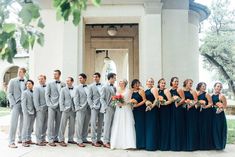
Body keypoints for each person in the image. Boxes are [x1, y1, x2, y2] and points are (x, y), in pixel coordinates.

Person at [110, 79, 136, 149]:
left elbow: (130, 100)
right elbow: (115, 99)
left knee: (127, 124)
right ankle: (117, 143)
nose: (121, 84)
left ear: (125, 84)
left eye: (122, 83)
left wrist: (124, 103)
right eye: (120, 83)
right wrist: (117, 102)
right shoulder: (117, 90)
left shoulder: (128, 91)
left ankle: (128, 144)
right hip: (119, 109)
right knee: (118, 124)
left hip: (126, 109)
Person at [45, 70, 66, 146]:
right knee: (50, 123)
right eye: (53, 74)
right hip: (52, 105)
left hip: (60, 106)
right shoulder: (49, 84)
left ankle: (56, 138)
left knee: (59, 122)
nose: (54, 75)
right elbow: (47, 95)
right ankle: (50, 140)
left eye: (56, 74)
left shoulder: (63, 84)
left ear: (59, 75)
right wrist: (49, 104)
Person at [8, 67, 27, 148]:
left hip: (24, 105)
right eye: (19, 71)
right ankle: (11, 142)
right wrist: (13, 103)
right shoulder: (12, 81)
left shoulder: (26, 81)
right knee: (13, 123)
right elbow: (9, 93)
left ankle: (21, 139)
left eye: (21, 72)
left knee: (23, 123)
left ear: (24, 73)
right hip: (16, 104)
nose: (19, 73)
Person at [100, 73, 117, 148]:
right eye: (114, 78)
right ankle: (105, 141)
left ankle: (109, 140)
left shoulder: (114, 87)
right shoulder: (104, 87)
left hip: (114, 107)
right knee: (107, 125)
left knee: (111, 125)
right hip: (108, 108)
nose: (115, 79)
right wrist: (105, 107)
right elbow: (101, 98)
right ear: (110, 78)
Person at [169, 77, 186, 151]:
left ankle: (179, 145)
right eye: (175, 81)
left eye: (177, 81)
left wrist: (178, 104)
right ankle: (173, 145)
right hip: (171, 108)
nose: (176, 83)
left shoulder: (179, 89)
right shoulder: (169, 90)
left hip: (178, 109)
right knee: (172, 126)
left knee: (178, 125)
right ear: (171, 82)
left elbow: (183, 99)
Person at [74, 73, 91, 147]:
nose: (79, 79)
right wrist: (77, 108)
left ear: (85, 79)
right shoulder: (77, 88)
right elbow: (76, 99)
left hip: (88, 109)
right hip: (80, 108)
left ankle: (84, 138)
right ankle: (79, 140)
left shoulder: (89, 87)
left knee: (86, 124)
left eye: (81, 78)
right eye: (79, 78)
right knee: (79, 125)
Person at [58, 77, 76, 147]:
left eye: (68, 81)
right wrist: (63, 109)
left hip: (73, 110)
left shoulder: (75, 89)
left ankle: (70, 139)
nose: (67, 82)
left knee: (72, 125)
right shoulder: (63, 89)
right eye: (66, 81)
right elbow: (61, 100)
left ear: (72, 81)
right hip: (65, 110)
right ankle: (61, 139)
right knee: (63, 125)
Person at [87, 72, 104, 147]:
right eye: (94, 77)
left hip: (102, 106)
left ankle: (99, 139)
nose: (95, 78)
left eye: (96, 77)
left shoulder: (103, 85)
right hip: (94, 106)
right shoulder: (91, 86)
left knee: (100, 123)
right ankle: (93, 140)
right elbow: (89, 97)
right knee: (93, 123)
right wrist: (92, 106)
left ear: (99, 77)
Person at [197, 82, 214, 150]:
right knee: (200, 127)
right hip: (199, 112)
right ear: (199, 87)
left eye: (205, 86)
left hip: (206, 112)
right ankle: (200, 144)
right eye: (203, 86)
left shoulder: (206, 94)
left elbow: (211, 103)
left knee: (205, 127)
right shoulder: (197, 94)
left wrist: (205, 107)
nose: (204, 87)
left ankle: (206, 145)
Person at [183, 79, 199, 151]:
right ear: (186, 83)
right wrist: (185, 102)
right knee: (184, 126)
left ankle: (191, 145)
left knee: (190, 127)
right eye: (190, 83)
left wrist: (190, 104)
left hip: (191, 111)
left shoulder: (193, 91)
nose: (191, 84)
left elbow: (196, 101)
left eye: (191, 83)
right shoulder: (182, 90)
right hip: (183, 110)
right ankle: (184, 145)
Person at [131, 79, 146, 149]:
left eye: (138, 83)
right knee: (134, 126)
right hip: (133, 111)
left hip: (140, 110)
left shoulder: (141, 91)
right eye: (135, 83)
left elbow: (144, 100)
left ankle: (141, 144)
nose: (137, 85)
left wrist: (137, 105)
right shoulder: (131, 91)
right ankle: (135, 143)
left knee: (140, 126)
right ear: (133, 84)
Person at [145, 78, 160, 151]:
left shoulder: (154, 89)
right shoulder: (146, 90)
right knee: (149, 126)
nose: (150, 83)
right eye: (149, 81)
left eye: (151, 82)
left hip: (153, 110)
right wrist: (147, 104)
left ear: (153, 83)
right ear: (146, 83)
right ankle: (149, 144)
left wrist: (151, 107)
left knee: (152, 126)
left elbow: (157, 99)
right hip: (148, 110)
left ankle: (152, 146)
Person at [157, 78, 172, 151]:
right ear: (159, 84)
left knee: (165, 127)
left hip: (165, 110)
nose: (163, 84)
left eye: (164, 83)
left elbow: (170, 100)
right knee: (160, 126)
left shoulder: (166, 90)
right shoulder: (158, 90)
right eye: (162, 83)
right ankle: (160, 144)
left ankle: (165, 146)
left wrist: (163, 103)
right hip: (159, 110)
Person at [212, 82, 227, 150]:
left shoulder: (222, 96)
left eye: (220, 87)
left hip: (219, 115)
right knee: (213, 129)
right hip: (212, 115)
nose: (219, 88)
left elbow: (225, 106)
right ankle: (214, 144)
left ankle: (219, 145)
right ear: (214, 87)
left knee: (219, 129)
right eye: (218, 86)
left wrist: (220, 109)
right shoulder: (211, 95)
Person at [33, 75, 48, 146]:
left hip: (48, 109)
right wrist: (38, 109)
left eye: (42, 79)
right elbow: (35, 99)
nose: (40, 80)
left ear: (45, 79)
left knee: (45, 125)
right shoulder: (36, 88)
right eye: (39, 79)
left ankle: (43, 139)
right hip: (40, 109)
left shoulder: (48, 87)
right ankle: (38, 140)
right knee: (39, 125)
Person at [21, 80, 35, 147]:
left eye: (29, 84)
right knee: (25, 127)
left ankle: (28, 139)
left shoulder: (34, 92)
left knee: (30, 127)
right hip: (27, 112)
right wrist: (25, 112)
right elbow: (23, 104)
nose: (28, 85)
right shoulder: (24, 93)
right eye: (27, 84)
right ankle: (23, 141)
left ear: (32, 85)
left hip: (33, 112)